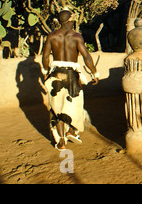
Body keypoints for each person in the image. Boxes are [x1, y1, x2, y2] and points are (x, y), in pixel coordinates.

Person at [41, 10, 99, 151]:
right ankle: (72, 131)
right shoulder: (76, 36)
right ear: (68, 21)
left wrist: (46, 71)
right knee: (75, 105)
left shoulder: (52, 36)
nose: (74, 22)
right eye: (72, 20)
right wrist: (94, 73)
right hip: (72, 75)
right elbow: (86, 57)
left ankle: (61, 141)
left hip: (56, 74)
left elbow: (45, 57)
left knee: (57, 107)